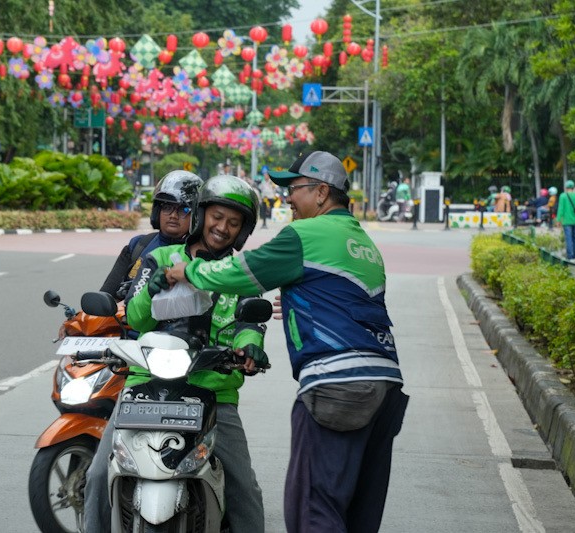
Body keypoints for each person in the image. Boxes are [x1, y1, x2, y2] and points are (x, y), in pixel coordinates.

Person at [167, 151, 409, 533]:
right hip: (386, 385)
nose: (288, 199)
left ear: (321, 192)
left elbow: (243, 272)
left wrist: (190, 271)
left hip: (336, 384)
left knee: (315, 509)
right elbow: (348, 298)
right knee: (358, 514)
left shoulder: (305, 234)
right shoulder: (363, 242)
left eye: (294, 189)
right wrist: (300, 302)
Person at [84, 174, 268, 533]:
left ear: (242, 232)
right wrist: (152, 289)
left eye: (233, 223)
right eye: (217, 217)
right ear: (201, 216)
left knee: (245, 488)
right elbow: (135, 318)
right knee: (98, 474)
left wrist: (251, 348)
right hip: (146, 382)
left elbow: (252, 322)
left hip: (213, 390)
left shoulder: (240, 274)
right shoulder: (160, 258)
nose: (222, 228)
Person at [99, 170, 202, 301]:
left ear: (196, 217)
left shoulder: (198, 255)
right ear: (157, 211)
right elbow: (105, 295)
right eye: (167, 207)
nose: (173, 216)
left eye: (183, 210)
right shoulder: (139, 245)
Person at [556, 180, 575, 260]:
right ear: (573, 187)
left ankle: (570, 256)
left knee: (568, 238)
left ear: (566, 187)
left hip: (566, 221)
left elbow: (561, 209)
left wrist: (558, 220)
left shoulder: (563, 196)